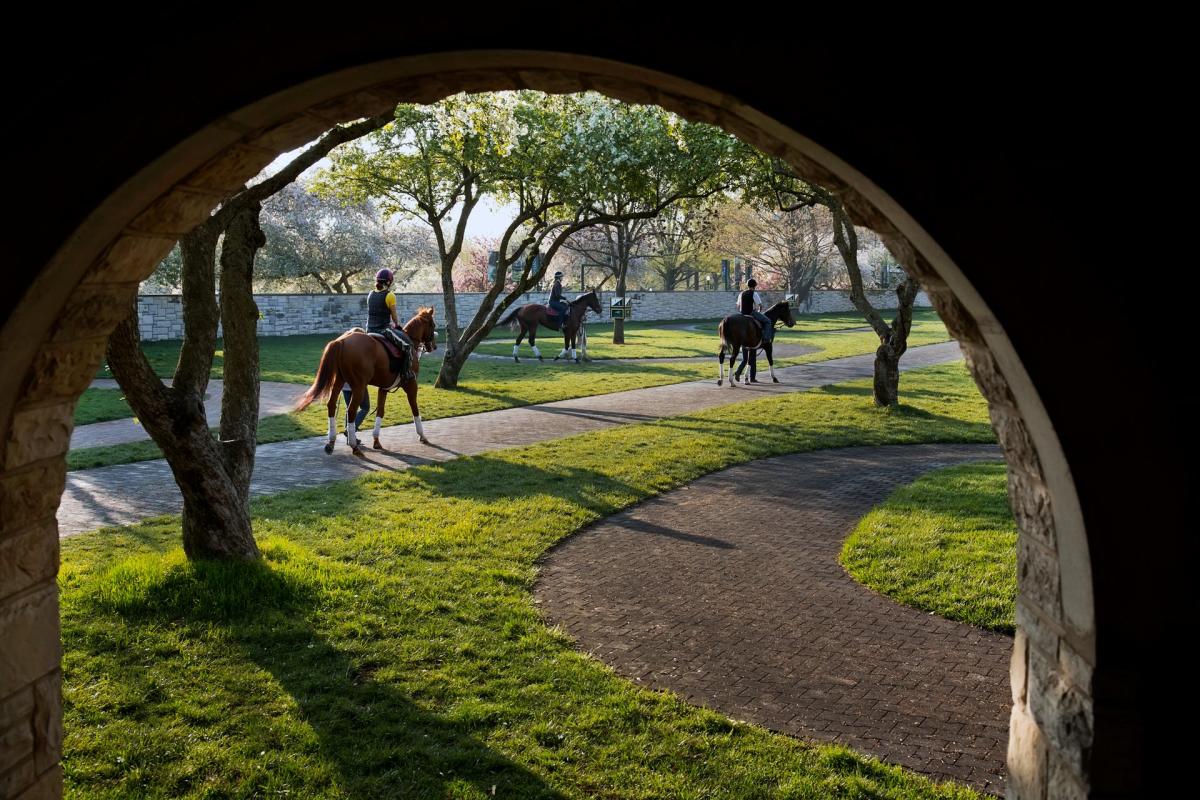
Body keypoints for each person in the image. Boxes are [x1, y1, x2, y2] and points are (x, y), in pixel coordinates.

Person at [366, 267, 414, 384]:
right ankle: (405, 373)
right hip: (383, 330)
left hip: (369, 329)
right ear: (389, 282)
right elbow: (394, 315)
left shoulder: (370, 294)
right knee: (407, 347)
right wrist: (397, 324)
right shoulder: (390, 295)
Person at [736, 278, 774, 345]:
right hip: (751, 313)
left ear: (748, 285)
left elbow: (738, 306)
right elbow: (760, 306)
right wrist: (759, 311)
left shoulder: (741, 293)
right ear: (754, 286)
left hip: (742, 314)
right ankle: (766, 338)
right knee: (768, 321)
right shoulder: (754, 293)